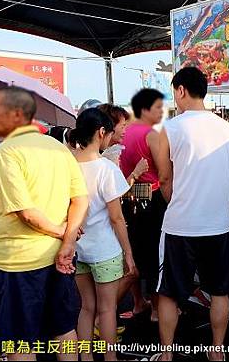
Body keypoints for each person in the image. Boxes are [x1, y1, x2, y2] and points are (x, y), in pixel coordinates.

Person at [0, 86, 89, 361]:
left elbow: (26, 212)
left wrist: (63, 233)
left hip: (18, 262)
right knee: (63, 329)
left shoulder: (6, 153)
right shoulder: (58, 148)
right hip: (59, 258)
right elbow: (80, 199)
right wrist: (67, 241)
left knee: (18, 341)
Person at [155, 67, 229, 362]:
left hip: (180, 225)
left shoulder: (170, 129)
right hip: (217, 225)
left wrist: (177, 201)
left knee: (169, 292)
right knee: (219, 291)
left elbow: (165, 179)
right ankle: (217, 351)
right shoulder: (228, 129)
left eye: (174, 92)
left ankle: (167, 354)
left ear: (181, 90)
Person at [71, 108, 135, 362]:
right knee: (107, 309)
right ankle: (110, 358)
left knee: (86, 308)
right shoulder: (106, 168)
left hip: (77, 248)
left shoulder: (69, 165)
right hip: (105, 250)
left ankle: (85, 357)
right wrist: (128, 252)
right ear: (101, 132)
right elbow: (116, 217)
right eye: (109, 133)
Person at [96, 103, 150, 316]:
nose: (126, 129)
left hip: (97, 230)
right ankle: (102, 319)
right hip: (107, 228)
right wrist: (136, 173)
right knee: (130, 271)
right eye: (122, 125)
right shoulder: (108, 158)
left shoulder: (100, 154)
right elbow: (115, 195)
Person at [120, 89, 166, 322]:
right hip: (152, 198)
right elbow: (164, 173)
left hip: (127, 197)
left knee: (134, 251)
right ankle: (156, 309)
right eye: (157, 108)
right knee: (154, 254)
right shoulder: (151, 134)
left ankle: (138, 302)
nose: (161, 112)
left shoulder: (122, 132)